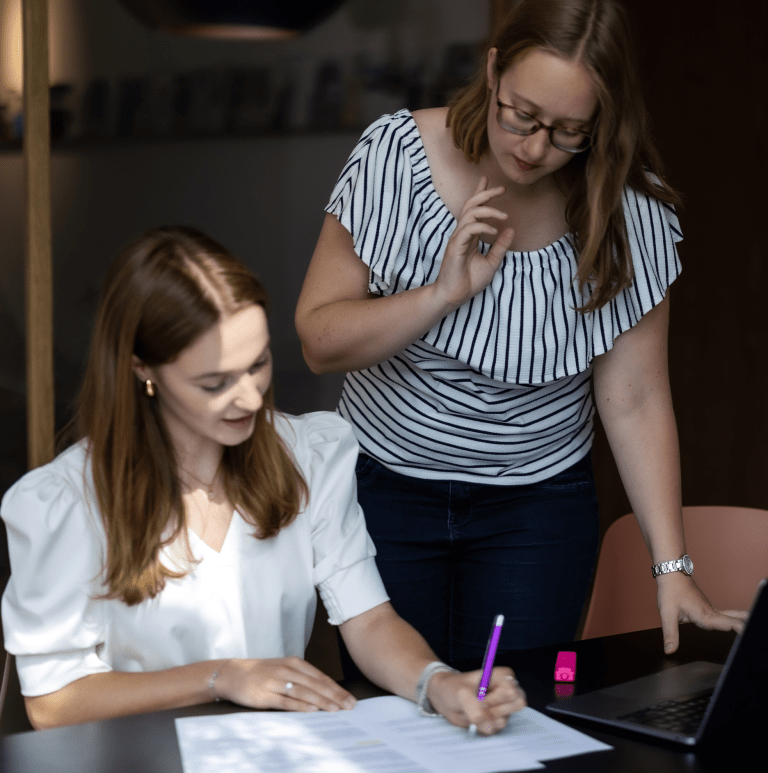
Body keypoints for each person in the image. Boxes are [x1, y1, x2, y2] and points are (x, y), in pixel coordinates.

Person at [295, 0, 748, 668]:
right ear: (493, 72)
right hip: (385, 489)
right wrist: (440, 295)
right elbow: (319, 340)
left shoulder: (631, 211)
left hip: (538, 511)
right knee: (396, 709)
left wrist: (672, 568)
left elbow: (636, 398)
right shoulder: (396, 157)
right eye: (522, 115)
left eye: (569, 131)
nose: (534, 149)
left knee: (518, 705)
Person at [0, 226, 525, 733]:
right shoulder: (67, 500)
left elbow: (368, 620)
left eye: (258, 364)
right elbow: (52, 702)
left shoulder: (307, 456)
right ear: (144, 370)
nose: (251, 398)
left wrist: (436, 683)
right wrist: (222, 678)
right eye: (215, 382)